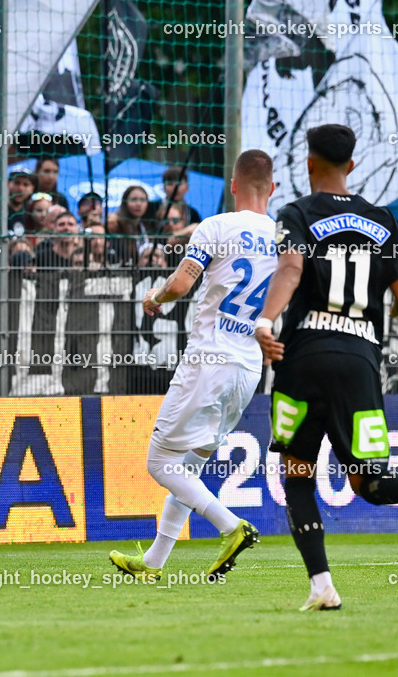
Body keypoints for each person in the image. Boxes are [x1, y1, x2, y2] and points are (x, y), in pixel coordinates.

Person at [254, 124, 398, 611]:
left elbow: (292, 268)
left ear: (308, 163)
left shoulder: (296, 212)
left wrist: (265, 320)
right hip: (361, 362)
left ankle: (322, 585)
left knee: (296, 474)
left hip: (303, 358)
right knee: (367, 482)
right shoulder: (383, 220)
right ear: (353, 165)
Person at [109, 149, 280, 584]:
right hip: (249, 367)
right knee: (190, 466)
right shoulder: (283, 237)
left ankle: (230, 526)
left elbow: (182, 283)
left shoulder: (216, 226)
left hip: (209, 360)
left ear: (234, 185)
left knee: (160, 462)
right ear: (273, 188)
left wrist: (155, 297)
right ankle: (154, 562)